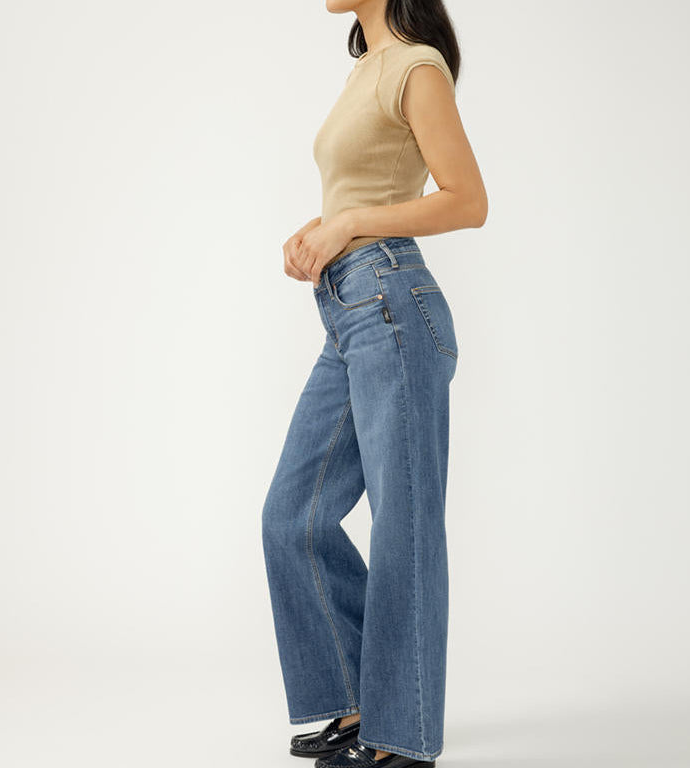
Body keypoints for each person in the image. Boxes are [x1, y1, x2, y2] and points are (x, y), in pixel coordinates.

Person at [261, 1, 487, 765]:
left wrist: (348, 224)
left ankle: (402, 735)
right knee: (292, 517)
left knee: (403, 526)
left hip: (392, 303)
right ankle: (361, 704)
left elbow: (467, 201)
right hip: (350, 309)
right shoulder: (367, 68)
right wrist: (323, 231)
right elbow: (366, 193)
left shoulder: (417, 66)